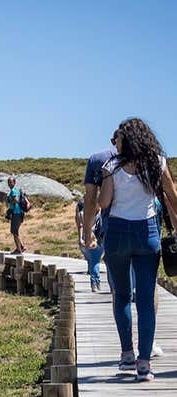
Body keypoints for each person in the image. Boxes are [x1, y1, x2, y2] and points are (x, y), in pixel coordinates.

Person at [93, 118, 177, 382]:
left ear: (124, 140)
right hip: (147, 234)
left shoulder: (111, 167)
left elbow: (104, 203)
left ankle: (127, 353)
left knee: (121, 295)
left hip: (118, 234)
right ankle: (144, 364)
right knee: (145, 300)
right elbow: (173, 197)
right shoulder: (157, 163)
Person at [75, 200, 103, 292]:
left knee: (93, 260)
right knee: (95, 260)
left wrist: (80, 239)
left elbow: (80, 226)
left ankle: (95, 281)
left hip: (87, 239)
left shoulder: (82, 212)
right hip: (95, 238)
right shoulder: (103, 212)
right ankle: (95, 282)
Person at [6, 177, 26, 254]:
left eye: (11, 182)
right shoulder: (17, 190)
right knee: (15, 231)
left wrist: (9, 201)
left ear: (14, 183)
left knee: (14, 232)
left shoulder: (13, 191)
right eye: (8, 182)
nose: (9, 184)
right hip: (19, 213)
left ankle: (18, 250)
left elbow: (15, 200)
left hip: (16, 213)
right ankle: (21, 247)